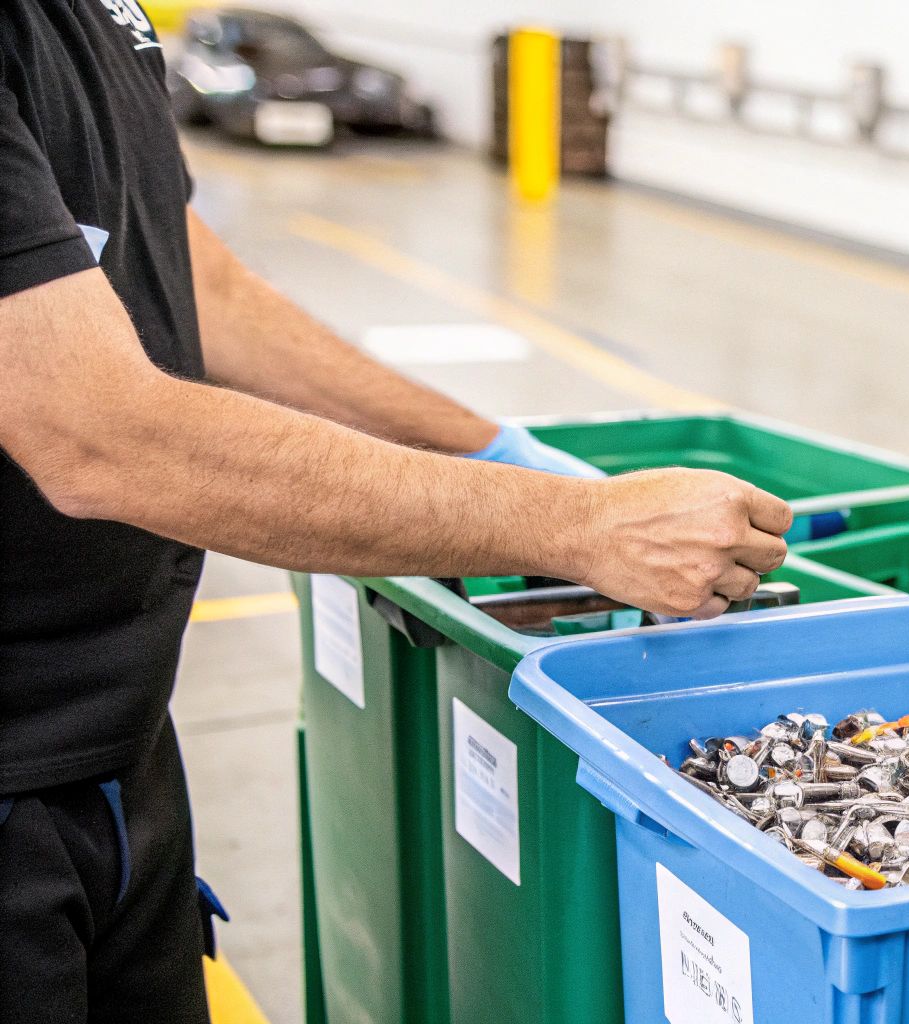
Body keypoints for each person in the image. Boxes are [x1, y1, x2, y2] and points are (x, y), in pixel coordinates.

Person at [0, 2, 791, 1019]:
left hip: (117, 741)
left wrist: (483, 444)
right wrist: (575, 526)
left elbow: (196, 283)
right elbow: (97, 432)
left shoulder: (103, 15)